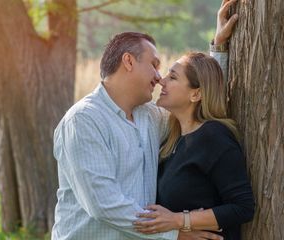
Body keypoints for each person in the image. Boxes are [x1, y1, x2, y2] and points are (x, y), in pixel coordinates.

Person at [51, 0, 239, 239]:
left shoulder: (149, 117)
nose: (160, 77)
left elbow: (195, 99)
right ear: (128, 61)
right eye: (154, 64)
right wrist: (174, 234)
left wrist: (219, 47)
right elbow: (104, 205)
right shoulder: (83, 121)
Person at [132, 39, 255, 240]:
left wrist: (179, 220)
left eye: (173, 77)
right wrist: (219, 45)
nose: (161, 81)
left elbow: (242, 207)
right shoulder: (170, 137)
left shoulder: (214, 137)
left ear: (196, 94)